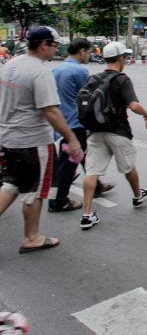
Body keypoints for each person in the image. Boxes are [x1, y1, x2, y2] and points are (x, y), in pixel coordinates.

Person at [0, 27, 83, 253]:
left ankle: (31, 235)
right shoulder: (39, 71)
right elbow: (51, 111)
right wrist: (71, 138)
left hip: (9, 137)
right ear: (44, 45)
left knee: (13, 183)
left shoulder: (12, 64)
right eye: (55, 45)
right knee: (35, 190)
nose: (57, 49)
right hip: (32, 140)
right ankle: (32, 237)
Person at [80, 42, 147, 230]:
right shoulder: (122, 79)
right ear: (121, 58)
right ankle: (138, 196)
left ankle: (87, 214)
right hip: (118, 130)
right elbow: (134, 105)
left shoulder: (94, 78)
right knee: (129, 167)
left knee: (92, 171)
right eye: (125, 57)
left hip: (95, 131)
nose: (126, 60)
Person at [48, 38, 112, 213]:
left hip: (61, 121)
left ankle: (96, 185)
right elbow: (88, 99)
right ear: (82, 51)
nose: (89, 55)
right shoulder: (79, 71)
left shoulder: (56, 69)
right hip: (75, 124)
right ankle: (59, 200)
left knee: (83, 154)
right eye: (89, 51)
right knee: (69, 162)